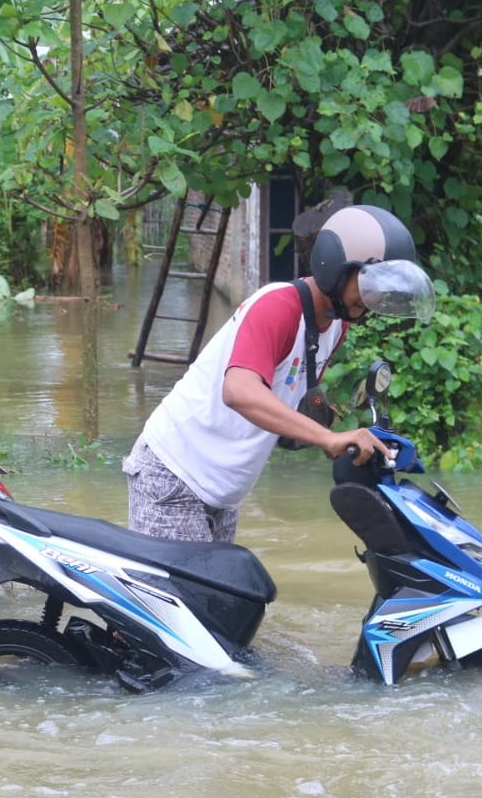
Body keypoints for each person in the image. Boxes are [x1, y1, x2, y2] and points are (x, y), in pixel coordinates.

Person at [123, 202, 436, 543]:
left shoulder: (333, 327)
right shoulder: (279, 306)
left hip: (223, 492)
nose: (374, 297)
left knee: (222, 596)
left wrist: (337, 433)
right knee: (178, 596)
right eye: (368, 284)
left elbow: (286, 406)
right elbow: (239, 391)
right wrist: (329, 437)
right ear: (336, 268)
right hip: (174, 473)